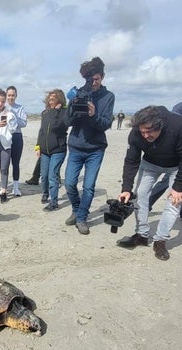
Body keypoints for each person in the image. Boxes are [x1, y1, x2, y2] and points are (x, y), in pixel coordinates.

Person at [116, 105, 182, 261]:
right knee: (140, 197)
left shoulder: (177, 126)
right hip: (150, 164)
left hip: (175, 166)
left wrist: (178, 187)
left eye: (149, 131)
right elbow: (131, 161)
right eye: (142, 131)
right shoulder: (136, 133)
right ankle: (142, 235)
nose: (145, 135)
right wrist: (126, 188)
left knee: (174, 203)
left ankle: (160, 240)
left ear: (160, 125)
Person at [64, 56, 114, 235]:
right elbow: (67, 121)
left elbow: (106, 124)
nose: (93, 83)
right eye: (90, 79)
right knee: (69, 183)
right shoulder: (78, 93)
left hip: (95, 149)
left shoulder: (108, 97)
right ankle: (77, 209)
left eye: (96, 79)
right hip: (76, 146)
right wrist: (72, 107)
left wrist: (93, 115)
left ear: (102, 76)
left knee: (88, 186)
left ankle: (81, 217)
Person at [35, 89, 68, 211]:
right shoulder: (45, 113)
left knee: (52, 176)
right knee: (43, 175)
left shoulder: (64, 113)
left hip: (58, 150)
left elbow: (59, 125)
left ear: (59, 100)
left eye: (53, 99)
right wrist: (37, 146)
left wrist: (57, 110)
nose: (50, 101)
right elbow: (42, 131)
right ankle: (45, 193)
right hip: (44, 151)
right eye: (49, 99)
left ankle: (54, 202)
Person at [6, 86, 28, 196]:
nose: (11, 97)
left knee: (15, 163)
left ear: (16, 96)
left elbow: (24, 123)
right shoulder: (2, 106)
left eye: (13, 95)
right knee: (4, 164)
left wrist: (13, 116)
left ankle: (16, 187)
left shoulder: (20, 108)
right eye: (9, 95)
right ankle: (4, 187)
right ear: (6, 96)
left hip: (17, 136)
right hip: (4, 137)